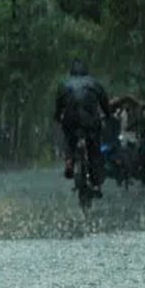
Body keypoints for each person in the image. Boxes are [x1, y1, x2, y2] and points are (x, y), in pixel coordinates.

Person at [54, 59, 111, 192]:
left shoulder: (64, 84)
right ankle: (95, 177)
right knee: (94, 147)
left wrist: (58, 118)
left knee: (69, 139)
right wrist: (107, 115)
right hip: (91, 121)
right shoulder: (94, 83)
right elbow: (105, 104)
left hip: (70, 120)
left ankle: (69, 161)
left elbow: (58, 107)